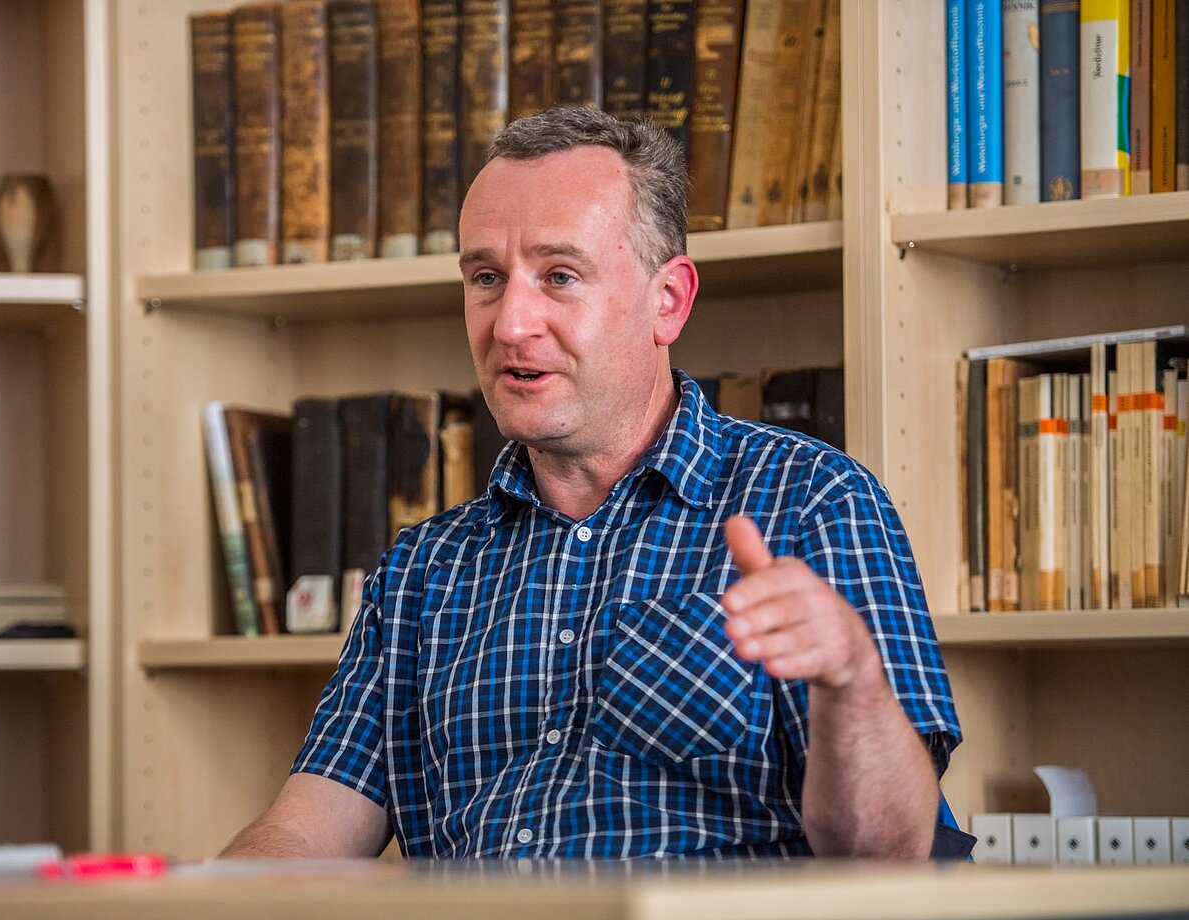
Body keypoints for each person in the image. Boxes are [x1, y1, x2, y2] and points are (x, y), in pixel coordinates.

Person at [223, 106, 961, 860]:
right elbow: (303, 830)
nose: (511, 323)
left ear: (668, 301)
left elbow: (890, 855)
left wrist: (852, 680)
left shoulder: (813, 502)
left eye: (560, 275)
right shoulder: (422, 573)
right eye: (485, 277)